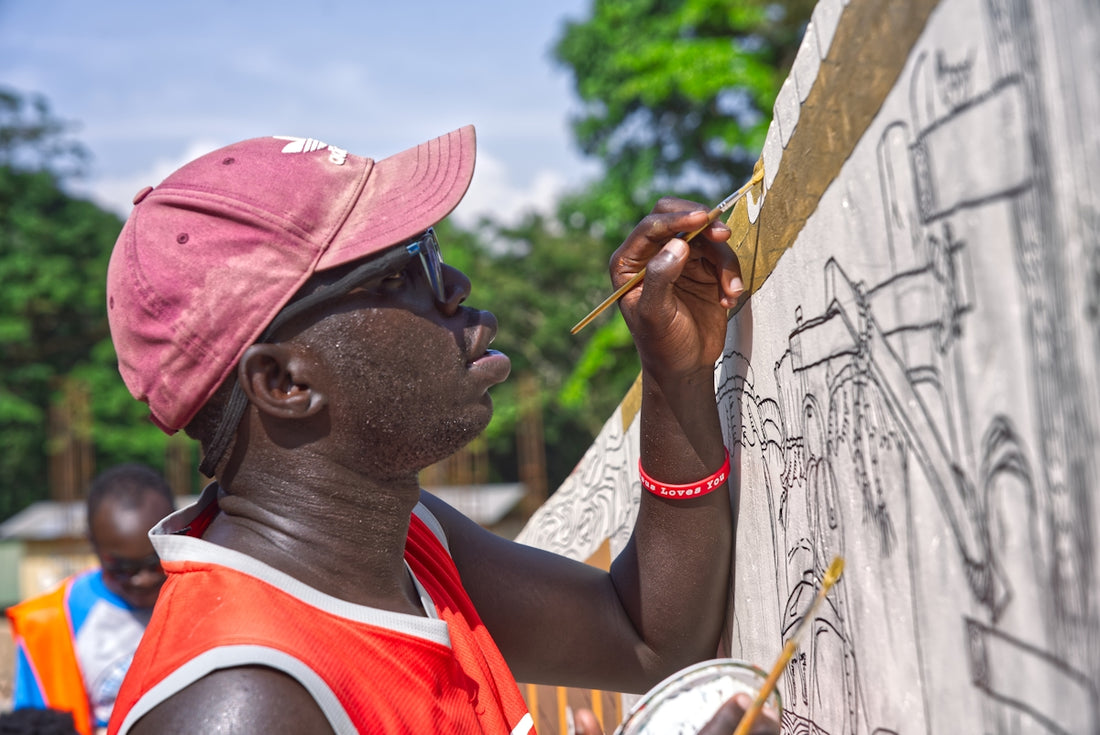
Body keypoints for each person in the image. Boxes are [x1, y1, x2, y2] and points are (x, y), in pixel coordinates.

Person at [102, 127, 779, 735]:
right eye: (402, 270)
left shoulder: (404, 543)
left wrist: (674, 373)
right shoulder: (243, 703)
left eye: (429, 249)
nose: (454, 284)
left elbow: (649, 637)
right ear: (284, 383)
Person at [6, 464, 175, 735]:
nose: (142, 580)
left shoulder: (206, 599)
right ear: (93, 544)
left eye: (155, 562)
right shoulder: (50, 621)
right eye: (122, 567)